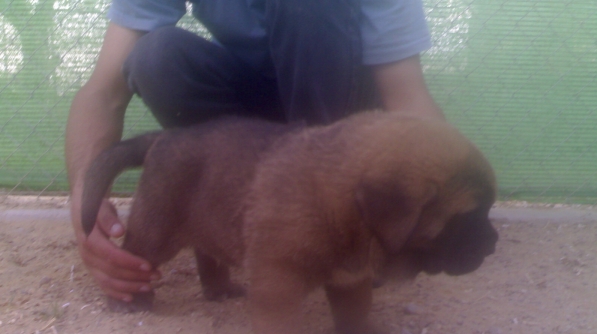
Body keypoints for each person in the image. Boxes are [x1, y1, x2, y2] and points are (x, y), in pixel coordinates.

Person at [65, 0, 445, 304]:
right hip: (251, 129)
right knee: (158, 56)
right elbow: (103, 93)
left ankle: (338, 228)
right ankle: (232, 219)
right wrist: (85, 191)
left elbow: (406, 97)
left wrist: (441, 195)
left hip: (336, 121)